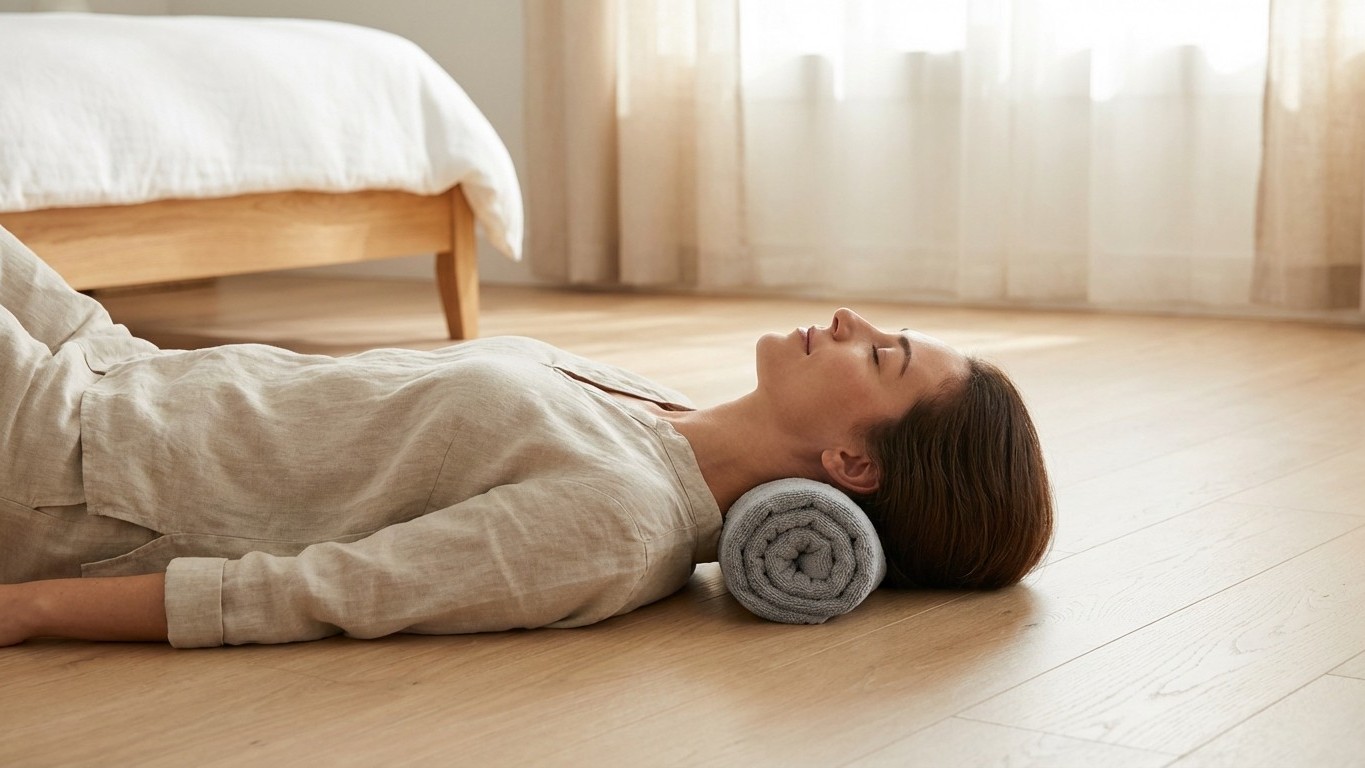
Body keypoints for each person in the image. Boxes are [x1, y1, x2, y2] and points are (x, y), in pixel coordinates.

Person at [0, 225, 1052, 648]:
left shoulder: (615, 522)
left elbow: (323, 590)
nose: (856, 325)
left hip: (65, 472)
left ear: (854, 464)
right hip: (119, 367)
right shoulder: (650, 406)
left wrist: (31, 611)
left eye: (884, 359)